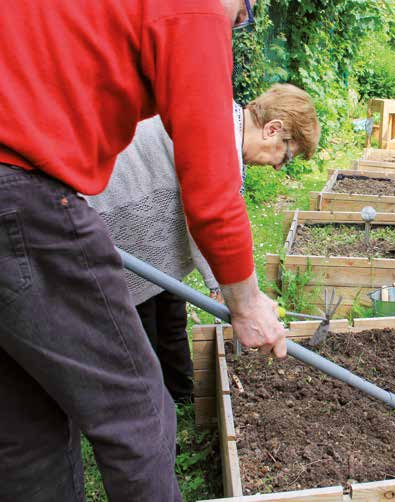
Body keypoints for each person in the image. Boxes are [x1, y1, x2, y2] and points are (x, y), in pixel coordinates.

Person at [0, 1, 288, 501]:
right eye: (243, 14)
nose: (238, 25)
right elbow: (213, 192)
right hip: (24, 194)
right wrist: (246, 303)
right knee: (139, 413)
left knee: (29, 424)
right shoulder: (196, 7)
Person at [88, 84, 320, 402]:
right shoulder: (218, 134)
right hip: (112, 215)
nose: (280, 165)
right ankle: (149, 419)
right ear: (272, 129)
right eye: (287, 154)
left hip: (127, 220)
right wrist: (231, 291)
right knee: (137, 334)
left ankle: (180, 398)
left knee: (168, 300)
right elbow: (209, 218)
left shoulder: (220, 119)